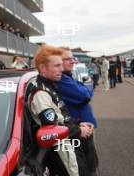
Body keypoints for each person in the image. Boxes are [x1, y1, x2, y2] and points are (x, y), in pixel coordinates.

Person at [29, 45, 92, 176]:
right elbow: (52, 130)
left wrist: (79, 123)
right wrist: (80, 130)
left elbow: (62, 116)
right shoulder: (41, 93)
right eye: (57, 66)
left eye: (61, 65)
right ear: (42, 68)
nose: (62, 69)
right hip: (62, 154)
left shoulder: (51, 86)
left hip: (70, 145)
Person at [58, 47, 99, 175]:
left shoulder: (68, 76)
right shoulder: (62, 79)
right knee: (87, 165)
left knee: (91, 162)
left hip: (84, 125)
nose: (72, 61)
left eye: (72, 58)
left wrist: (83, 87)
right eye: (67, 59)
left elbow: (85, 92)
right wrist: (86, 86)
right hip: (78, 130)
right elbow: (85, 95)